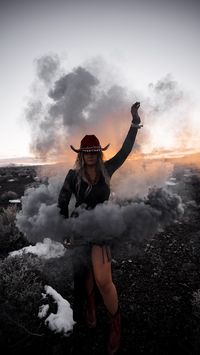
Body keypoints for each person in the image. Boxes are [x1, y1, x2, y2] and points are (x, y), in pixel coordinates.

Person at [58, 102, 142, 355]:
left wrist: (134, 123)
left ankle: (115, 322)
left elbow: (126, 151)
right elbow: (62, 201)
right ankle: (90, 307)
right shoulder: (72, 176)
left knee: (104, 280)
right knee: (84, 278)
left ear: (99, 153)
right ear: (81, 154)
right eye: (87, 152)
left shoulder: (108, 169)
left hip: (102, 228)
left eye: (95, 151)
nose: (91, 155)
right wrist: (64, 228)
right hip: (79, 227)